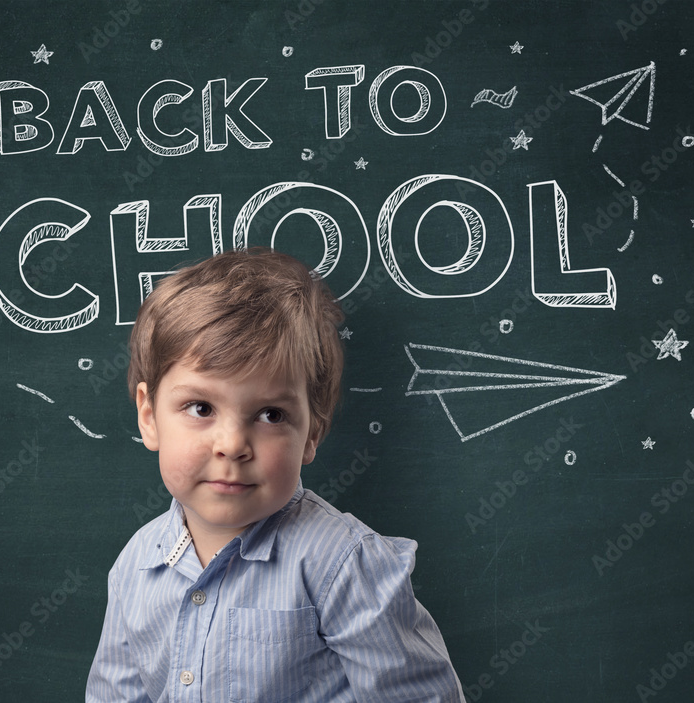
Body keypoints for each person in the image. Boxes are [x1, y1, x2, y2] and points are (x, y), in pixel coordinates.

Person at [86, 247, 463, 702]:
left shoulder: (343, 564)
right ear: (149, 416)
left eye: (270, 414)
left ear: (311, 434)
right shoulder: (136, 565)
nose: (232, 444)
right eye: (200, 407)